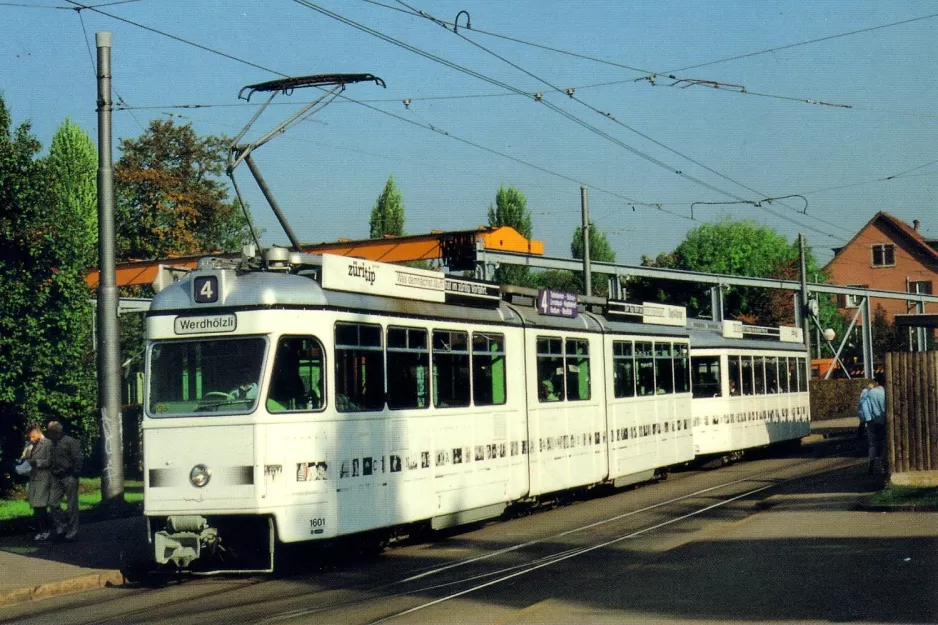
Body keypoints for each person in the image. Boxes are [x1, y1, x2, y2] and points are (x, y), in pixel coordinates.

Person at [47, 421, 83, 541]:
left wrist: (75, 473)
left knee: (72, 505)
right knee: (53, 503)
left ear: (56, 432)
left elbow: (78, 458)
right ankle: (61, 526)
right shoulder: (52, 443)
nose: (48, 434)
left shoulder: (70, 441)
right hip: (56, 477)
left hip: (69, 476)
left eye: (50, 432)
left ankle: (73, 531)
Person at [24, 424, 53, 541]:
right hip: (33, 479)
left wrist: (37, 462)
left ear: (38, 433)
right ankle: (40, 530)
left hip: (43, 478)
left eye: (33, 436)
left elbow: (50, 461)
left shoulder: (48, 444)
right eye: (29, 437)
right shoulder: (30, 445)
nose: (31, 439)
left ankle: (46, 530)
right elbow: (25, 458)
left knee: (41, 506)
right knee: (35, 507)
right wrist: (27, 451)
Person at [866, 375, 887, 475]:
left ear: (877, 382)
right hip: (884, 421)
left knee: (873, 444)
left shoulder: (870, 393)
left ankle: (871, 466)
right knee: (884, 443)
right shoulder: (886, 393)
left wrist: (868, 419)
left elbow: (864, 406)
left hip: (872, 422)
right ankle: (884, 467)